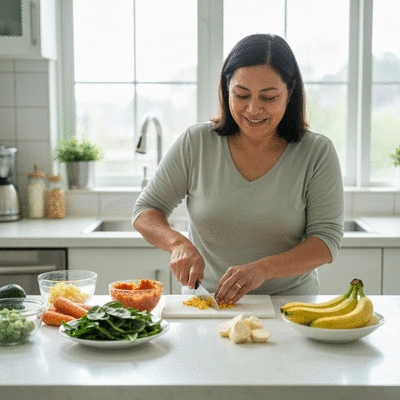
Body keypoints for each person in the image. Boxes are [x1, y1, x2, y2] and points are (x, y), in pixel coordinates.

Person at [132, 33, 344, 305]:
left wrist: (263, 269)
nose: (253, 109)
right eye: (241, 94)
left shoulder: (317, 152)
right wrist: (177, 244)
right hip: (207, 303)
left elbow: (325, 242)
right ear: (226, 89)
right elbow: (145, 210)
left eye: (268, 97)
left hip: (289, 306)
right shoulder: (195, 143)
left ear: (289, 94)